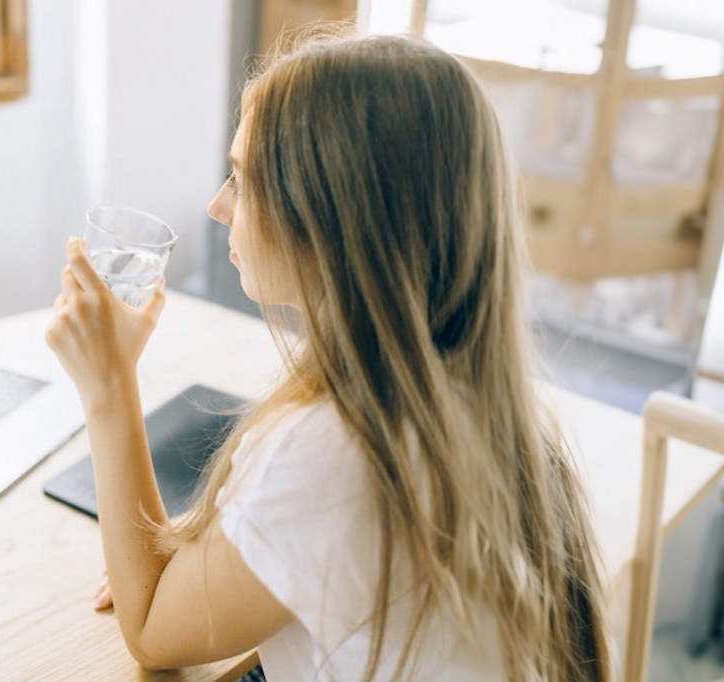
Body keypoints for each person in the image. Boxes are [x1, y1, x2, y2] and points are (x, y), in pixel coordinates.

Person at [45, 28, 611, 682]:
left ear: (332, 219)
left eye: (243, 178)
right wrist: (211, 563)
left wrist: (109, 385)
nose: (218, 205)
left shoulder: (338, 451)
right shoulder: (488, 415)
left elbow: (150, 633)